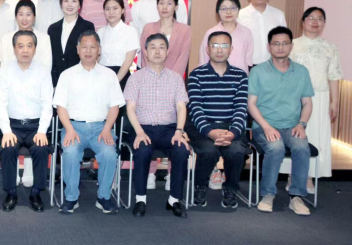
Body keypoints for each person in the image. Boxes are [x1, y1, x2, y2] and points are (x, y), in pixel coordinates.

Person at [54, 30, 124, 214]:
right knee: (70, 152)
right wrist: (69, 129)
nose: (88, 51)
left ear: (99, 50)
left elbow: (115, 106)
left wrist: (107, 128)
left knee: (109, 153)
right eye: (84, 47)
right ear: (77, 49)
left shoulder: (109, 75)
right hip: (73, 127)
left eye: (93, 47)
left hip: (101, 128)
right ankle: (71, 198)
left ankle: (103, 197)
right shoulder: (67, 75)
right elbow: (60, 107)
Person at [249, 26, 314, 216]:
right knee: (275, 147)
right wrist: (266, 127)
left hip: (292, 126)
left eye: (285, 43)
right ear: (269, 47)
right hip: (264, 126)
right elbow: (251, 104)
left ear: (291, 46)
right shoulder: (258, 71)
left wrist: (302, 124)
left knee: (302, 147)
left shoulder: (301, 72)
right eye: (276, 43)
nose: (280, 47)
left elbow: (307, 103)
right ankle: (268, 195)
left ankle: (297, 196)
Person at [124, 33, 191, 218]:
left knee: (181, 150)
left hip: (169, 129)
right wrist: (139, 132)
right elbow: (130, 108)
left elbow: (181, 107)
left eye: (162, 47)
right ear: (145, 52)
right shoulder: (136, 78)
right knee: (143, 150)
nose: (157, 51)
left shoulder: (176, 78)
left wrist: (179, 131)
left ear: (167, 52)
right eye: (152, 47)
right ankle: (140, 199)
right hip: (142, 128)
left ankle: (174, 200)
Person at [187, 31, 249, 208]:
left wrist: (233, 133)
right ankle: (200, 186)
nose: (219, 50)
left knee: (236, 150)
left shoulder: (240, 76)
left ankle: (230, 189)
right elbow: (196, 108)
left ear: (231, 49)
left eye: (224, 46)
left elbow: (241, 108)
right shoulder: (196, 75)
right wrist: (210, 132)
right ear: (207, 49)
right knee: (209, 150)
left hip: (231, 127)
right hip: (204, 127)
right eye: (215, 46)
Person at [0, 31, 54, 212]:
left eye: (29, 46)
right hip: (12, 125)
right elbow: (0, 104)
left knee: (41, 148)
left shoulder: (43, 71)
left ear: (35, 49)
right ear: (14, 49)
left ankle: (36, 192)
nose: (25, 50)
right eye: (20, 46)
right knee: (8, 148)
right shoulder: (4, 71)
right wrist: (6, 132)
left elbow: (47, 105)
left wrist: (42, 131)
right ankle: (11, 192)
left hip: (36, 125)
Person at [286, 8, 343, 188]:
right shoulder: (292, 45)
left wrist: (335, 102)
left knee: (315, 136)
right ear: (303, 22)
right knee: (295, 135)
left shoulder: (330, 47)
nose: (315, 22)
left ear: (324, 23)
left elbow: (334, 75)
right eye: (311, 18)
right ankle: (291, 175)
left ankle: (308, 176)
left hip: (320, 97)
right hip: (295, 97)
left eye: (319, 19)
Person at [48, 0, 96, 86]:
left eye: (74, 1)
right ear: (61, 4)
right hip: (56, 81)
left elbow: (89, 54)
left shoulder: (87, 26)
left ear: (79, 4)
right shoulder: (53, 29)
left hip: (80, 79)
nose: (69, 5)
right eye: (66, 1)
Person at [199, 0, 254, 74]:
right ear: (217, 12)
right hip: (215, 78)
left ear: (238, 9)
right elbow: (203, 60)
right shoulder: (211, 33)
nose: (229, 12)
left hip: (240, 78)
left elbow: (248, 61)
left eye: (233, 8)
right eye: (224, 9)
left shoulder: (246, 32)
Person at [140, 0, 191, 76]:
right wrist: (151, 77)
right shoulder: (148, 28)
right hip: (150, 79)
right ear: (157, 6)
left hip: (174, 80)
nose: (164, 7)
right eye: (161, 3)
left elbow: (182, 59)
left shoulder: (185, 30)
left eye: (169, 3)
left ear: (176, 6)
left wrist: (169, 79)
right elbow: (145, 58)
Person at [238, 0, 287, 66]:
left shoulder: (278, 15)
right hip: (248, 65)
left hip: (273, 65)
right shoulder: (240, 15)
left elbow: (284, 40)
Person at [97, 0, 139, 90]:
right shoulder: (100, 32)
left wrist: (115, 81)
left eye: (115, 8)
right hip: (102, 77)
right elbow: (98, 58)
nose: (111, 12)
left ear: (122, 10)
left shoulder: (130, 31)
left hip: (122, 77)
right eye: (107, 9)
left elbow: (128, 60)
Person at [1, 0, 53, 71]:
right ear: (16, 17)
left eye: (28, 15)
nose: (24, 19)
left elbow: (47, 66)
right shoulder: (6, 38)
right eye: (21, 14)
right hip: (11, 77)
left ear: (34, 17)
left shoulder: (44, 38)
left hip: (38, 77)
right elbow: (4, 65)